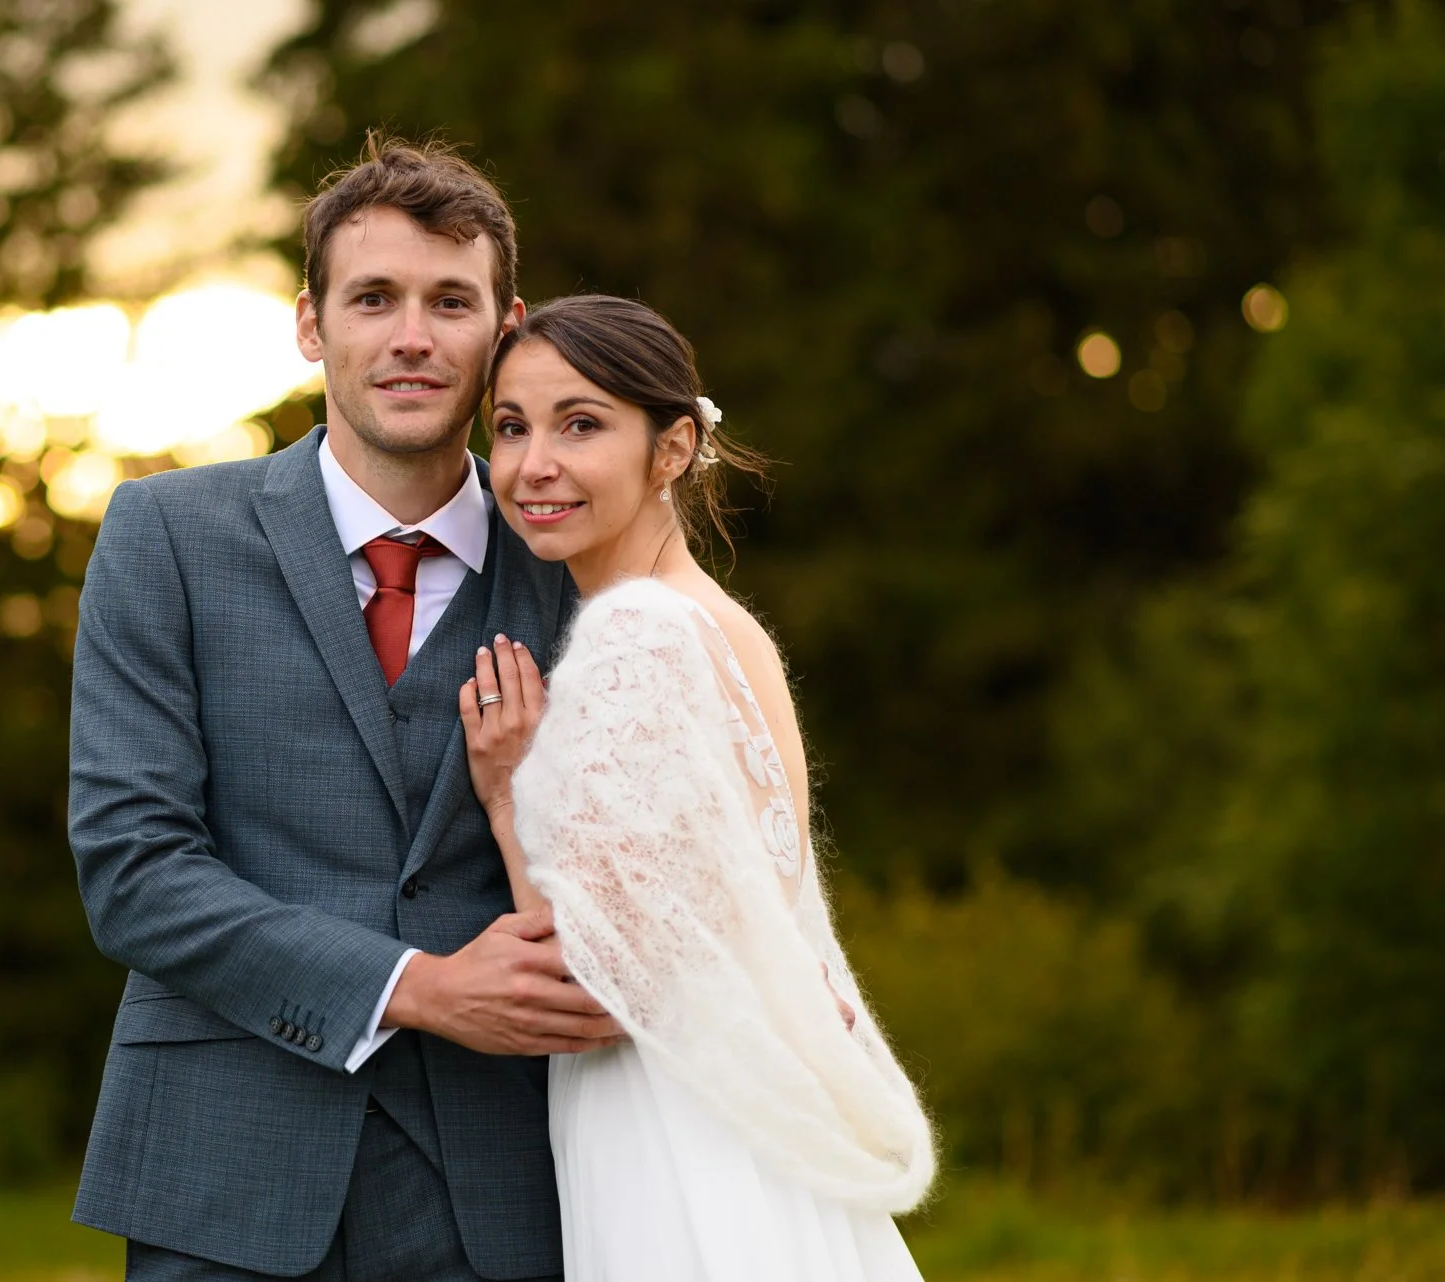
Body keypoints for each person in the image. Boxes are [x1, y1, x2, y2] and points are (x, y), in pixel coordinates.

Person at [67, 138, 620, 1281]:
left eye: (448, 301)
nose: (411, 336)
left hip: (506, 1194)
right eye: (373, 298)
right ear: (312, 325)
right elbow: (132, 869)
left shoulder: (585, 578)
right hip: (221, 1175)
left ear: (503, 329)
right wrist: (416, 987)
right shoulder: (165, 535)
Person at [460, 295, 936, 1281]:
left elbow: (590, 981)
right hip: (740, 1102)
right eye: (510, 427)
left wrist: (510, 795)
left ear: (673, 447)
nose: (532, 463)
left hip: (668, 1129)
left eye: (579, 424)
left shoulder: (636, 641)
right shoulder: (718, 623)